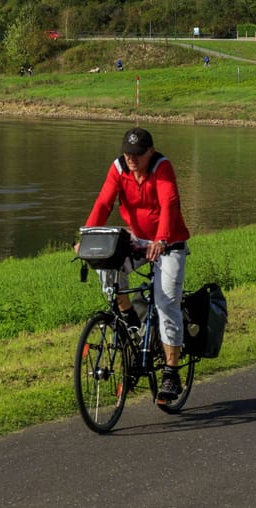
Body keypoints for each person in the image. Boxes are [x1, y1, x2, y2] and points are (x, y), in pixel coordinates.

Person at [81, 127, 192, 403]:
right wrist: (87, 238)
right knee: (107, 270)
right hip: (137, 239)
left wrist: (162, 239)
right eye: (127, 153)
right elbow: (104, 203)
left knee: (166, 303)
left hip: (169, 242)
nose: (131, 158)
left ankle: (171, 372)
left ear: (150, 153)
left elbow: (169, 204)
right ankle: (131, 319)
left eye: (137, 154)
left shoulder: (162, 168)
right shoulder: (119, 169)